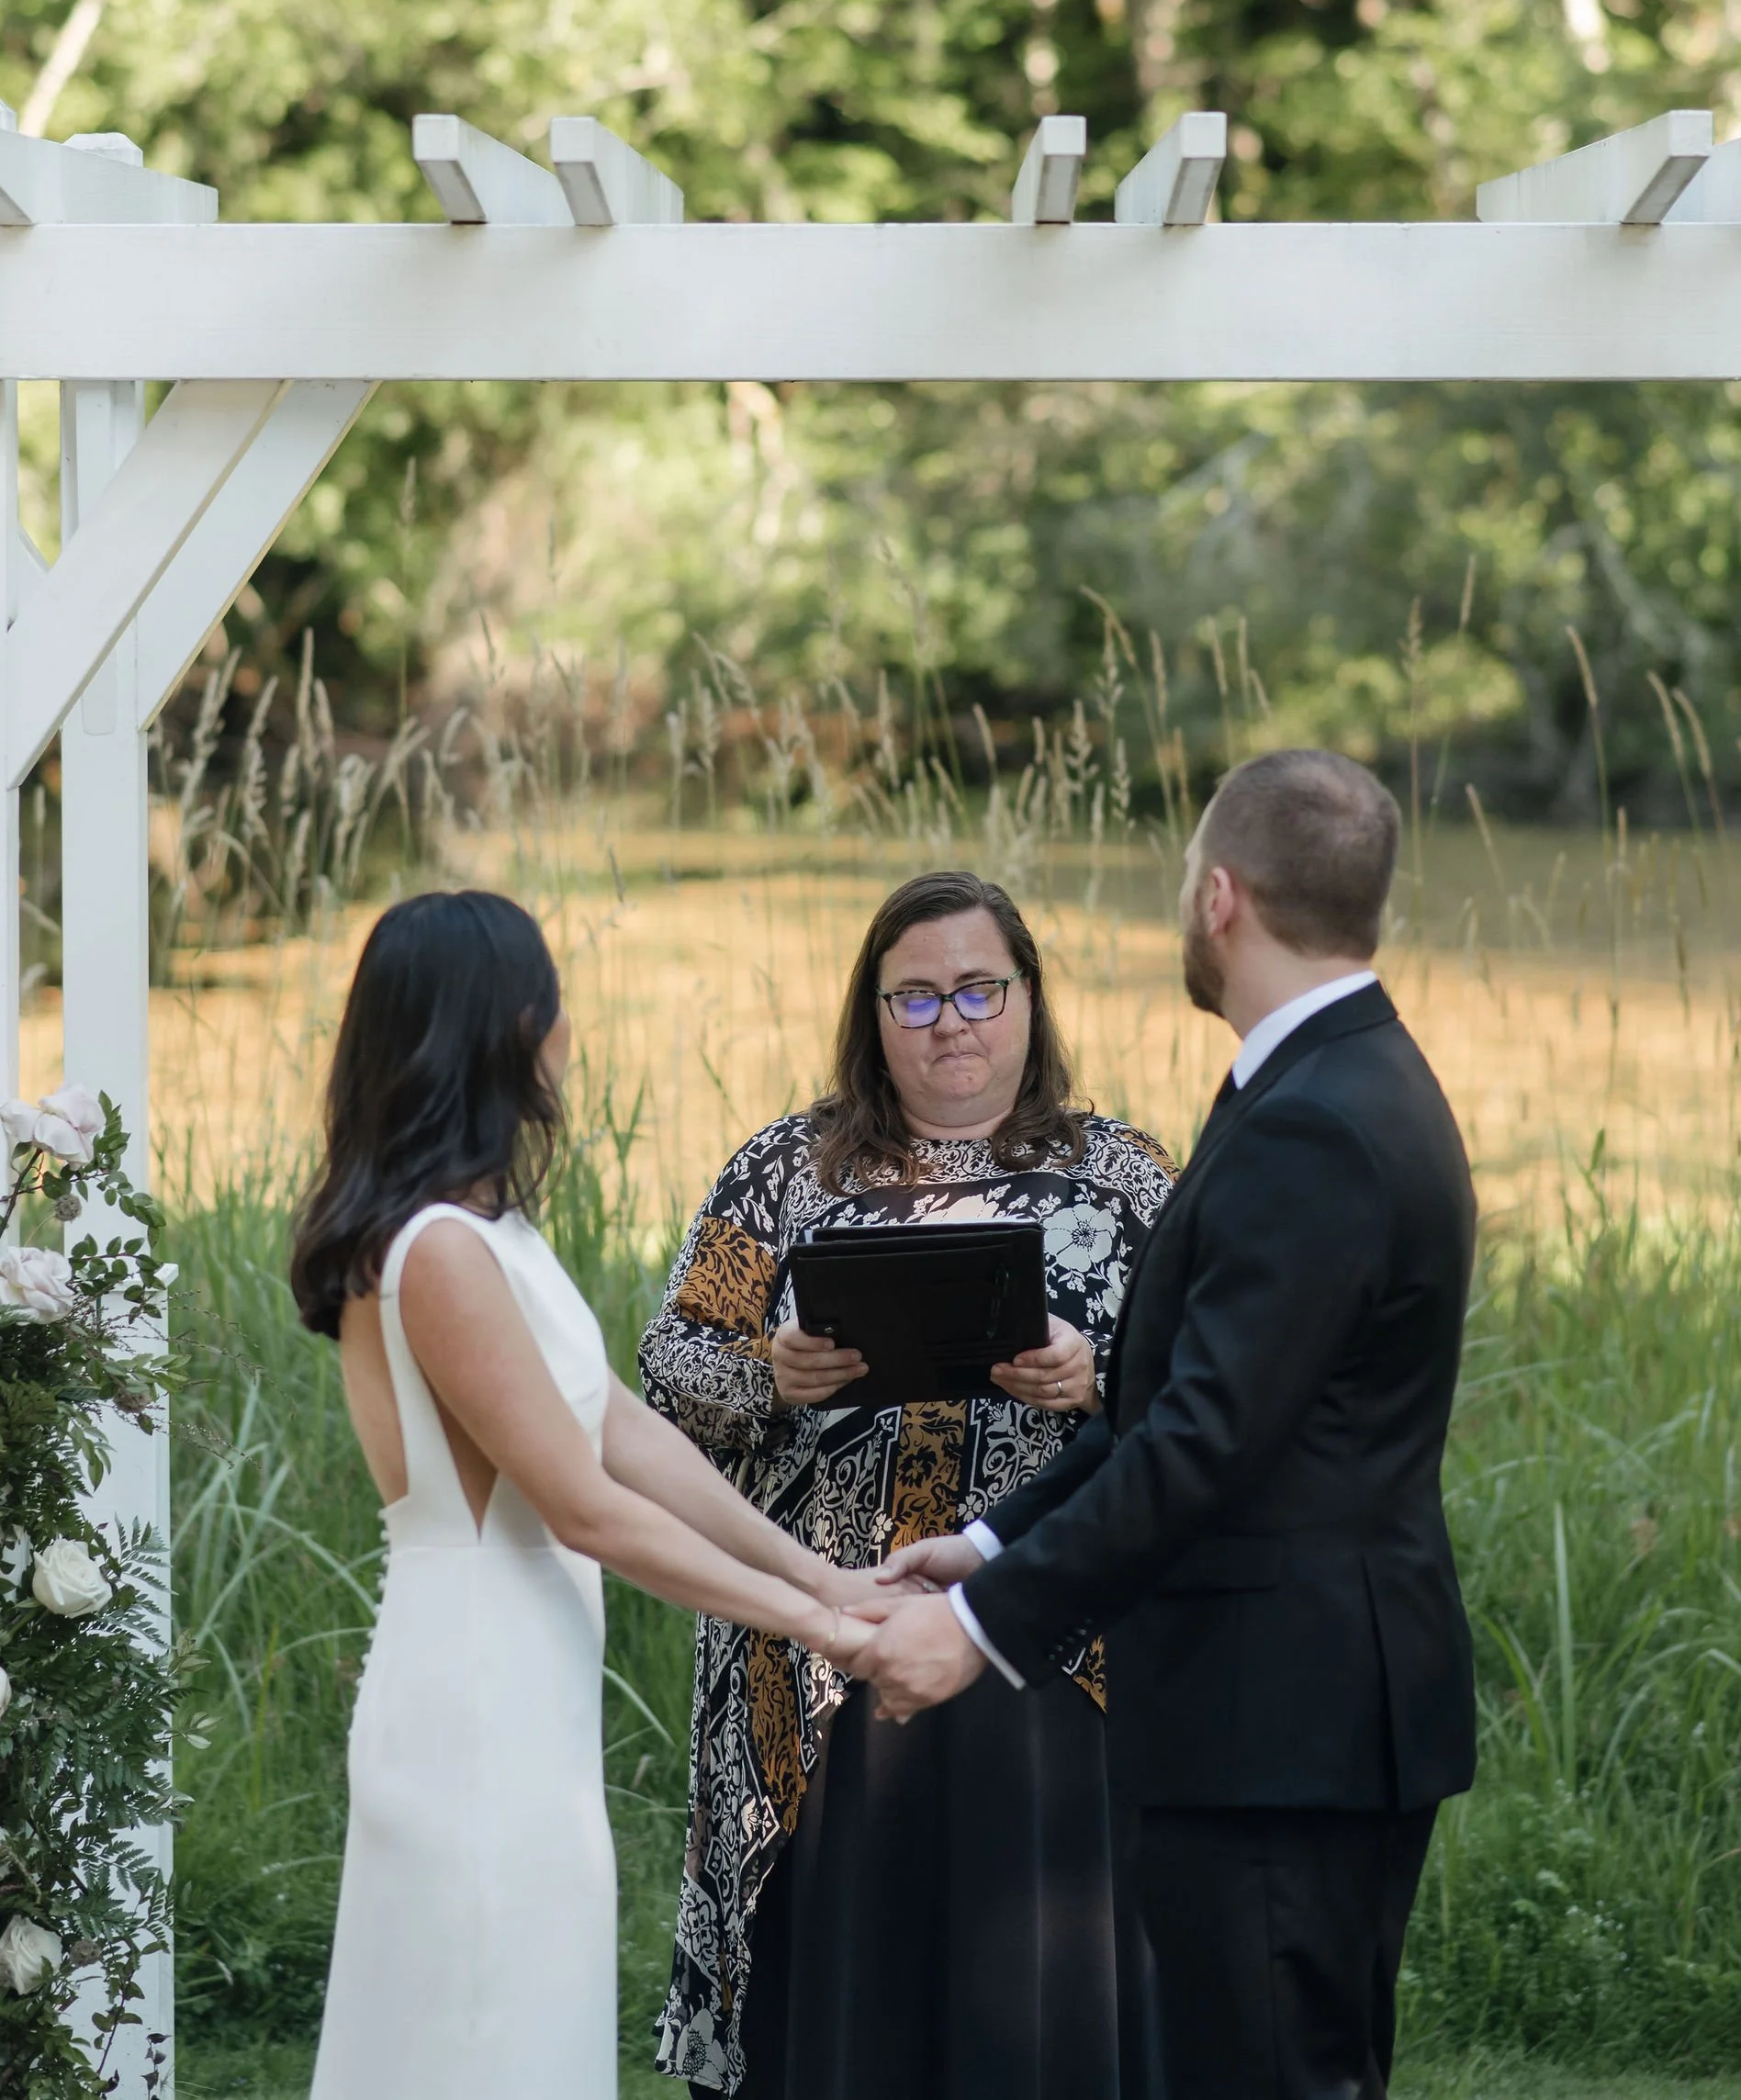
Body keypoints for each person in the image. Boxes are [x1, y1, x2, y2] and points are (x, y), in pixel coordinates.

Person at [865, 751, 1478, 2100]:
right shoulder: (1316, 1082)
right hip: (1281, 1713)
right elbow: (1168, 1402)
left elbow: (1206, 1442)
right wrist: (985, 1542)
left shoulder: (1319, 1121)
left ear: (1219, 899)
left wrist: (977, 1634)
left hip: (1282, 1724)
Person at [289, 891, 885, 2100]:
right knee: (482, 2036)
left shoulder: (488, 1232)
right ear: (508, 1029)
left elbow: (620, 1428)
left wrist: (818, 1573)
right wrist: (816, 1629)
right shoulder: (436, 1254)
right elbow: (585, 1509)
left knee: (526, 2025)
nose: (570, 1033)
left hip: (525, 1694)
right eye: (552, 1005)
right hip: (471, 1703)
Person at [639, 869, 1174, 2100]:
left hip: (1054, 1638)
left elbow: (1216, 1390)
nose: (953, 1023)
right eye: (917, 997)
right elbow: (664, 1376)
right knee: (848, 1997)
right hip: (823, 1634)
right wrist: (769, 1374)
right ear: (871, 1013)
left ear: (1030, 999)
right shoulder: (782, 1171)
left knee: (1034, 2003)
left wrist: (1100, 1378)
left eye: (981, 989)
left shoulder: (1131, 1179)